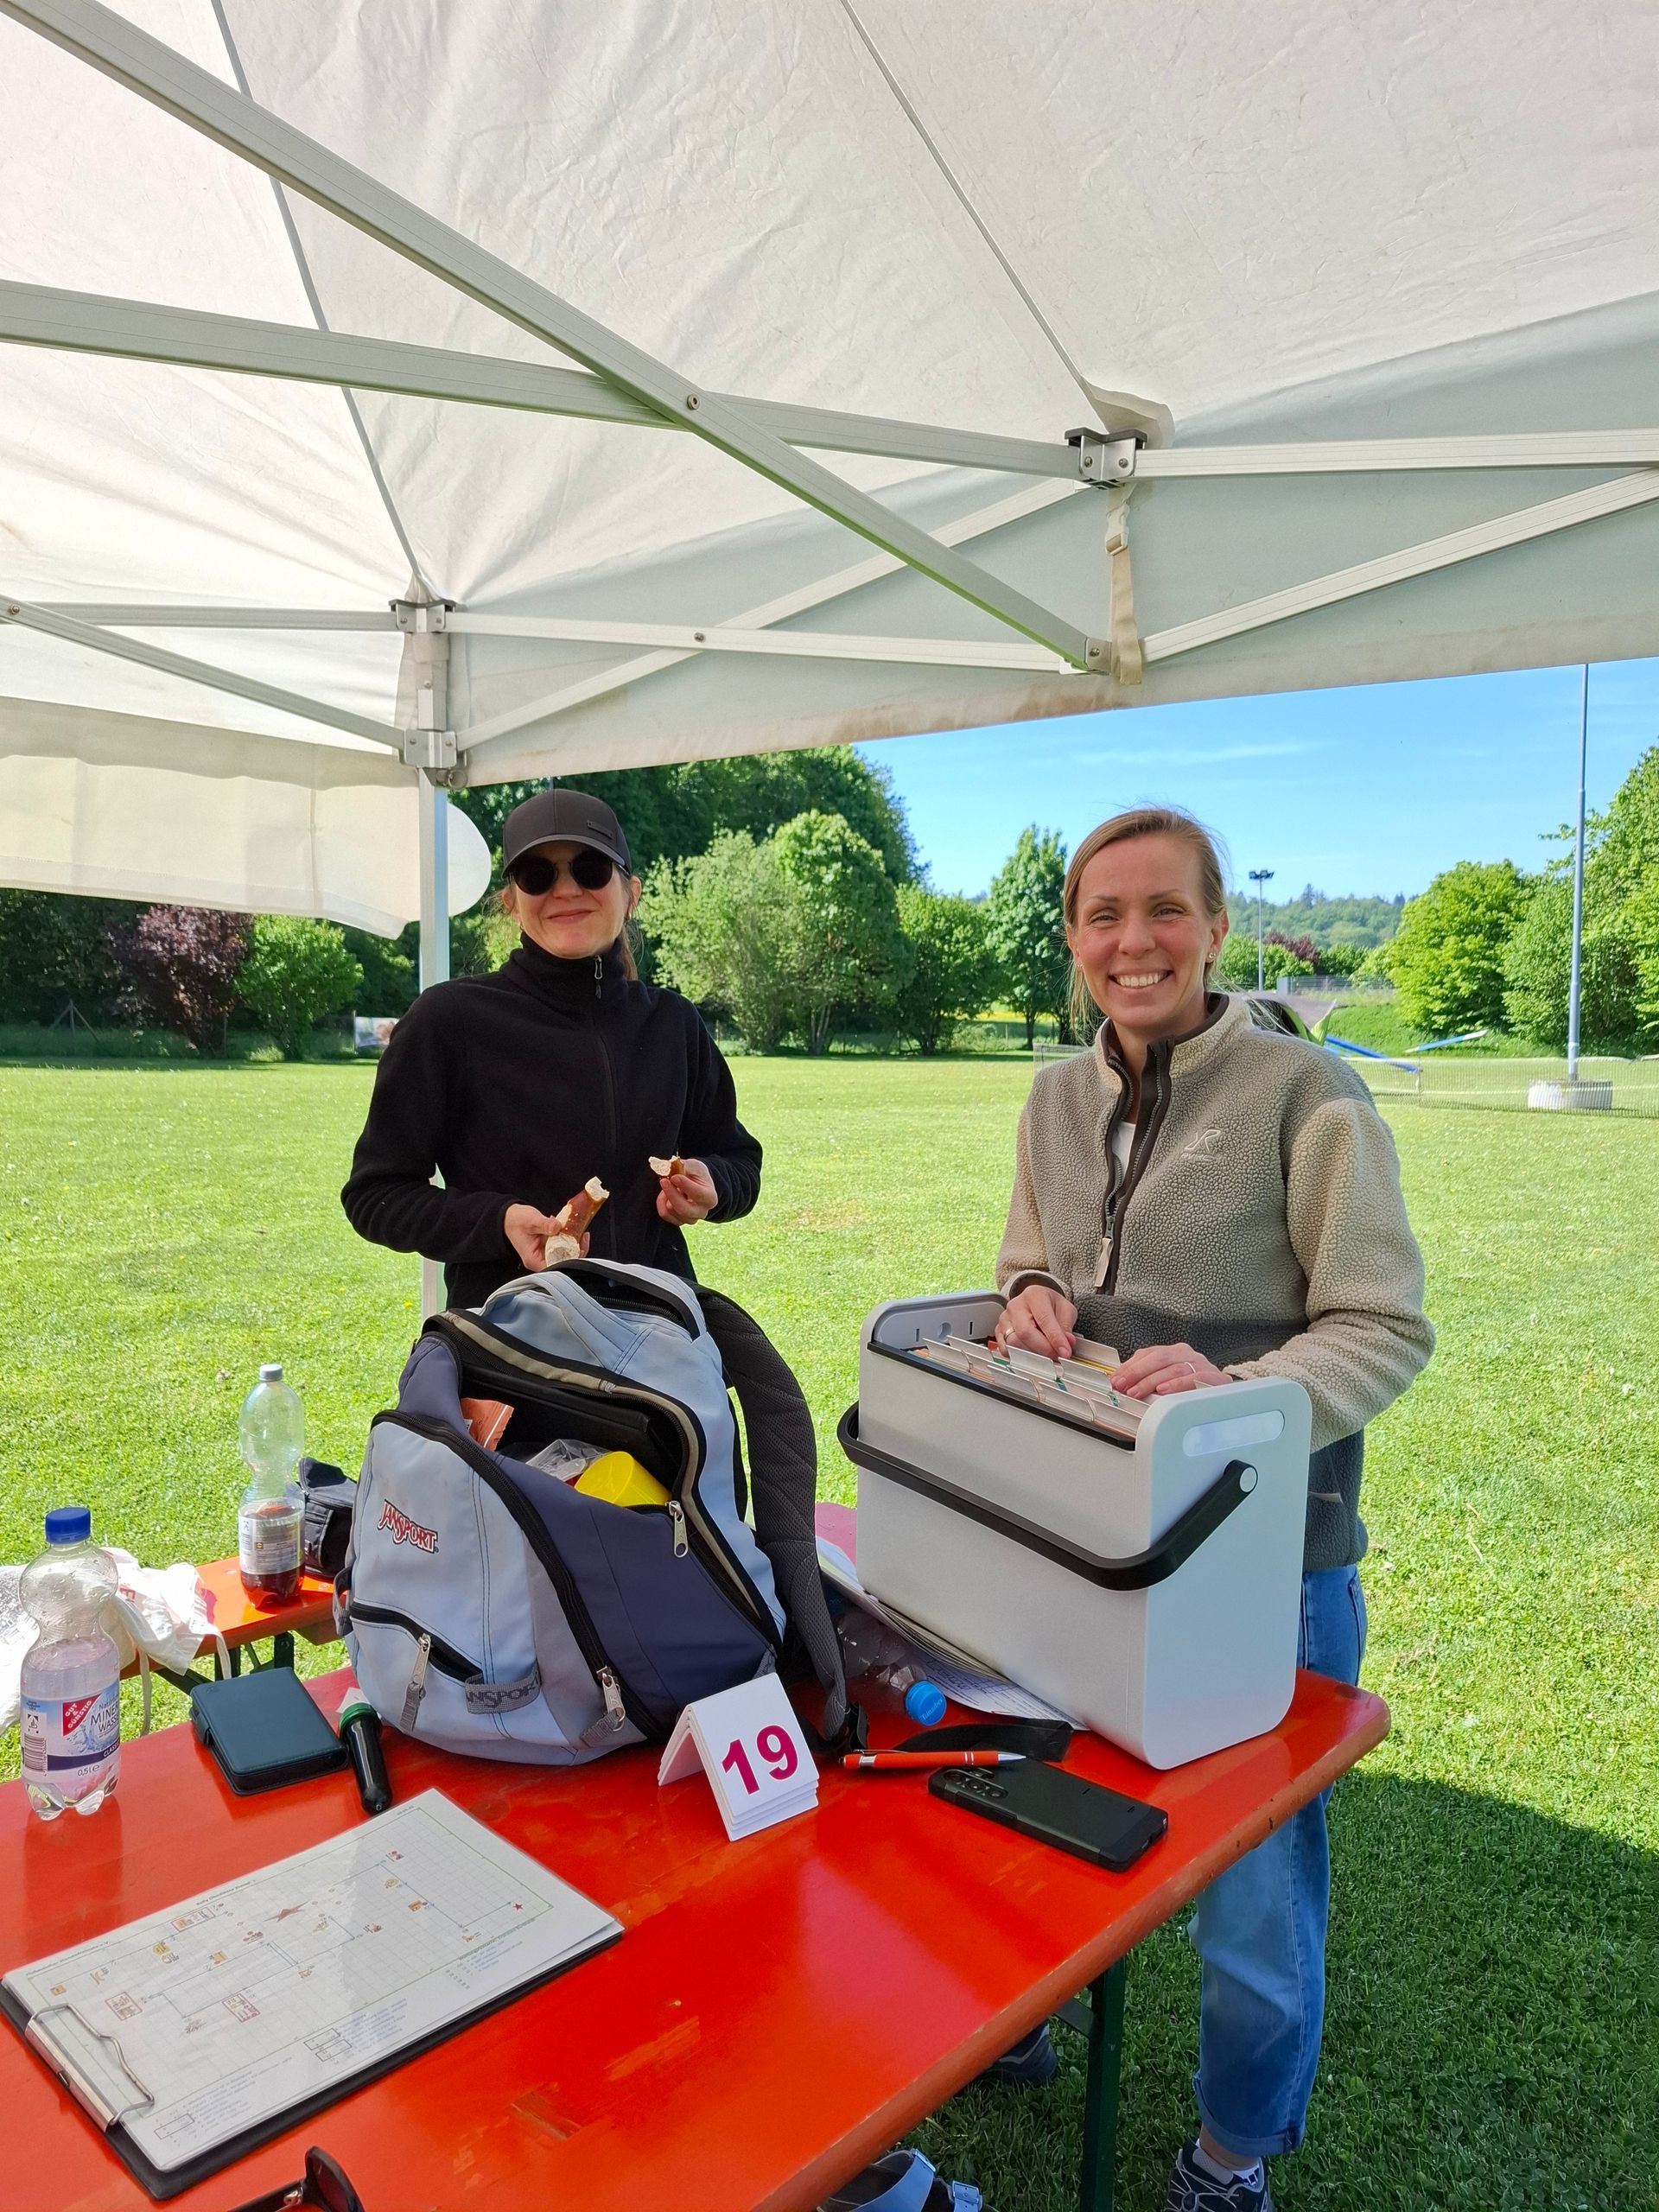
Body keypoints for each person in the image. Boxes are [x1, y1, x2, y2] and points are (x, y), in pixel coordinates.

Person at [994, 806, 1433, 2212]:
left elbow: (1383, 1325)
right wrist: (1028, 1297)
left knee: (1252, 1889)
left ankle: (1232, 2153)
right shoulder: (1051, 1099)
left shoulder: (1311, 1092)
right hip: (1083, 1534)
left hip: (1264, 1568)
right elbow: (1027, 1263)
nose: (1135, 942)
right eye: (1103, 915)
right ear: (1073, 939)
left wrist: (1235, 1391)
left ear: (1217, 927)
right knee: (1059, 1805)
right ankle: (1025, 2016)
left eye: (1164, 910)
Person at [341, 785, 761, 1307]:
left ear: (631, 893)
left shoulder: (673, 1023)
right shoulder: (448, 1019)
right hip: (510, 1334)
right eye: (537, 875)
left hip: (655, 1327)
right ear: (512, 904)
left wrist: (714, 1184)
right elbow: (376, 1195)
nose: (565, 889)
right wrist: (497, 1222)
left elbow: (739, 1159)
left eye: (590, 869)